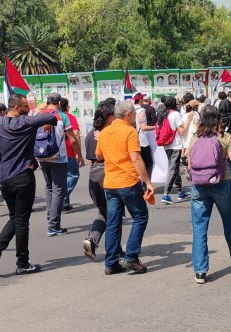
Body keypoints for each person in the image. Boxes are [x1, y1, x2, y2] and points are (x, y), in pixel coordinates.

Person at [0, 95, 60, 275]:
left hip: (6, 178)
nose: (28, 108)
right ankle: (22, 263)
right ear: (17, 108)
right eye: (26, 106)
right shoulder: (25, 122)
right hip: (23, 177)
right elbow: (51, 116)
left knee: (15, 218)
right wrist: (42, 108)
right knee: (22, 222)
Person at [186, 105, 231, 284]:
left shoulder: (195, 138)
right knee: (230, 223)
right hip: (221, 183)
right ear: (218, 120)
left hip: (198, 186)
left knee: (199, 228)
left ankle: (200, 271)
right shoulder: (224, 138)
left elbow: (189, 164)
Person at [97, 100, 155, 275]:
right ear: (129, 115)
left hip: (110, 183)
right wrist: (148, 182)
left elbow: (98, 155)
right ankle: (131, 257)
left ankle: (111, 262)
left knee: (113, 222)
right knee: (140, 216)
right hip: (128, 181)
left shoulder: (105, 132)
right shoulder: (129, 131)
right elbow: (136, 159)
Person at [81, 100, 116, 260]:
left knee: (105, 212)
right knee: (114, 213)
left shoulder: (90, 134)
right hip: (107, 174)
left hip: (93, 174)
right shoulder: (108, 134)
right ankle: (114, 251)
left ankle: (92, 240)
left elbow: (90, 157)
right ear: (109, 117)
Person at [36, 94, 70, 237]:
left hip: (42, 155)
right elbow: (73, 138)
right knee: (58, 190)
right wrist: (80, 156)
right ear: (59, 103)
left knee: (49, 188)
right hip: (58, 156)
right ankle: (54, 225)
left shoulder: (37, 115)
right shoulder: (62, 116)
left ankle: (50, 221)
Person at [158, 96, 191, 204]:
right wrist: (188, 120)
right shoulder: (175, 114)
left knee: (175, 168)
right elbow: (181, 131)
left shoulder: (162, 113)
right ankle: (165, 194)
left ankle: (180, 191)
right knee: (173, 169)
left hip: (166, 144)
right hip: (175, 144)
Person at [60, 97, 84, 213]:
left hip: (57, 153)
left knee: (64, 177)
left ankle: (65, 203)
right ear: (67, 107)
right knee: (74, 175)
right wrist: (78, 153)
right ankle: (61, 198)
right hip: (69, 150)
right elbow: (75, 135)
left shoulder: (55, 116)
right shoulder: (70, 117)